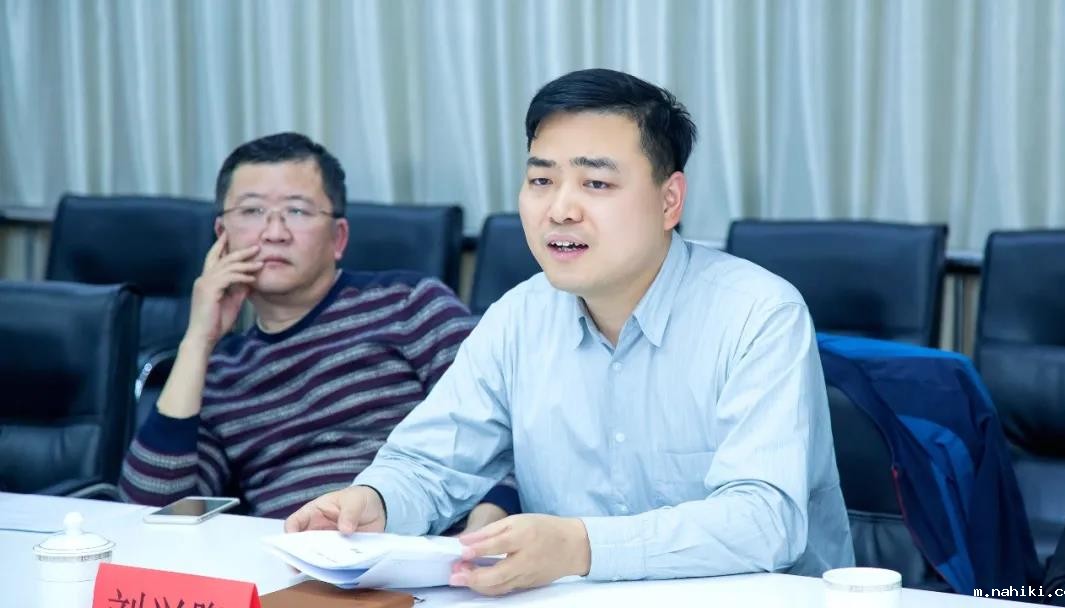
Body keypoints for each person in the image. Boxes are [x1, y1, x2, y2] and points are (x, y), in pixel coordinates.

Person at [286, 69, 854, 595]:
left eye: (596, 183)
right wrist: (374, 500)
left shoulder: (759, 314)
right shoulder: (517, 318)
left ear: (669, 201)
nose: (560, 209)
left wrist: (580, 546)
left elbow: (765, 521)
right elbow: (430, 464)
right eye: (541, 179)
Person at [118, 132, 518, 527]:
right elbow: (150, 512)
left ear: (338, 238)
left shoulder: (410, 305)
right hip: (291, 554)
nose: (274, 232)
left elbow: (508, 430)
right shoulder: (221, 373)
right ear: (222, 237)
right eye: (252, 211)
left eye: (297, 211)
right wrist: (197, 341)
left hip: (424, 543)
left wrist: (487, 523)